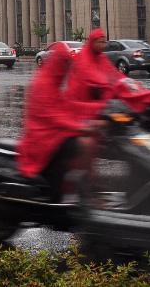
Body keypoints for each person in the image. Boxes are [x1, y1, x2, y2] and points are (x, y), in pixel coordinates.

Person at [16, 42, 105, 200]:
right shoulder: (44, 83)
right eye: (65, 63)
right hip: (42, 140)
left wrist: (99, 109)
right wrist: (83, 128)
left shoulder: (53, 81)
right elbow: (54, 117)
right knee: (85, 144)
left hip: (53, 133)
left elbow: (67, 106)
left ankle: (84, 186)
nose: (67, 68)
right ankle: (77, 191)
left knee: (90, 141)